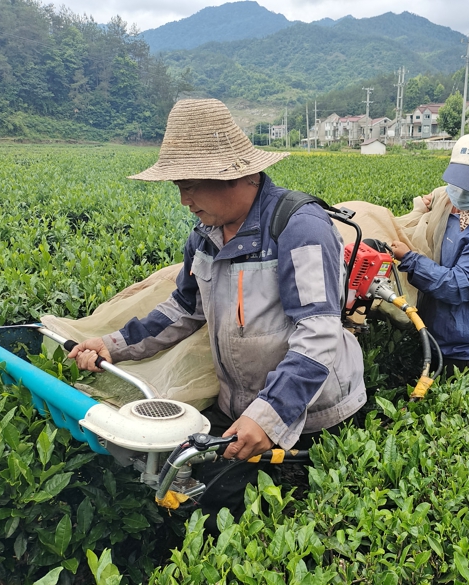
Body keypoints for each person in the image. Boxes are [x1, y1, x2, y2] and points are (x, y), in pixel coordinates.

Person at [68, 98, 366, 530]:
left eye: (193, 183)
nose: (185, 199)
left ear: (240, 175)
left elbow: (318, 334)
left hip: (310, 413)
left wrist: (270, 416)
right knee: (197, 500)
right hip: (241, 406)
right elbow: (184, 309)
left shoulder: (299, 228)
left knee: (274, 525)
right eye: (178, 185)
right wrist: (112, 346)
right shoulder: (204, 236)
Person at [390, 134, 469, 377]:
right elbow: (440, 196)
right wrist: (430, 202)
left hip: (463, 344)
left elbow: (458, 286)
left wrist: (410, 259)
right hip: (433, 326)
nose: (460, 191)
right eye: (457, 182)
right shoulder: (449, 201)